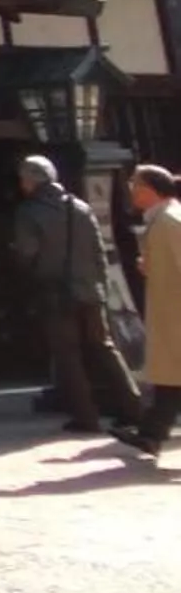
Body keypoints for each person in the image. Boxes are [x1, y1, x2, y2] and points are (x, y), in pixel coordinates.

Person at [9, 154, 141, 434]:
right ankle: (134, 408)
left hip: (56, 293)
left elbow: (27, 253)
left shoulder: (29, 212)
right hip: (91, 291)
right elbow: (98, 251)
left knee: (67, 355)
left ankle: (86, 416)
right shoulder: (81, 207)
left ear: (30, 181)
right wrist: (101, 287)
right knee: (105, 348)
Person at [115, 163, 180, 465]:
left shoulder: (168, 221)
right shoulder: (163, 220)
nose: (131, 190)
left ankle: (151, 433)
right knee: (171, 379)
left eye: (134, 184)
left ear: (148, 189)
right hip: (170, 314)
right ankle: (151, 433)